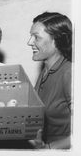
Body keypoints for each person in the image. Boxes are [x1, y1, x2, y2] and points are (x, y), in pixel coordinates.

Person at [27, 12, 72, 149]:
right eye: (31, 36)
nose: (29, 42)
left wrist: (49, 149)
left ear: (56, 40)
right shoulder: (45, 70)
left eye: (36, 37)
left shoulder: (69, 73)